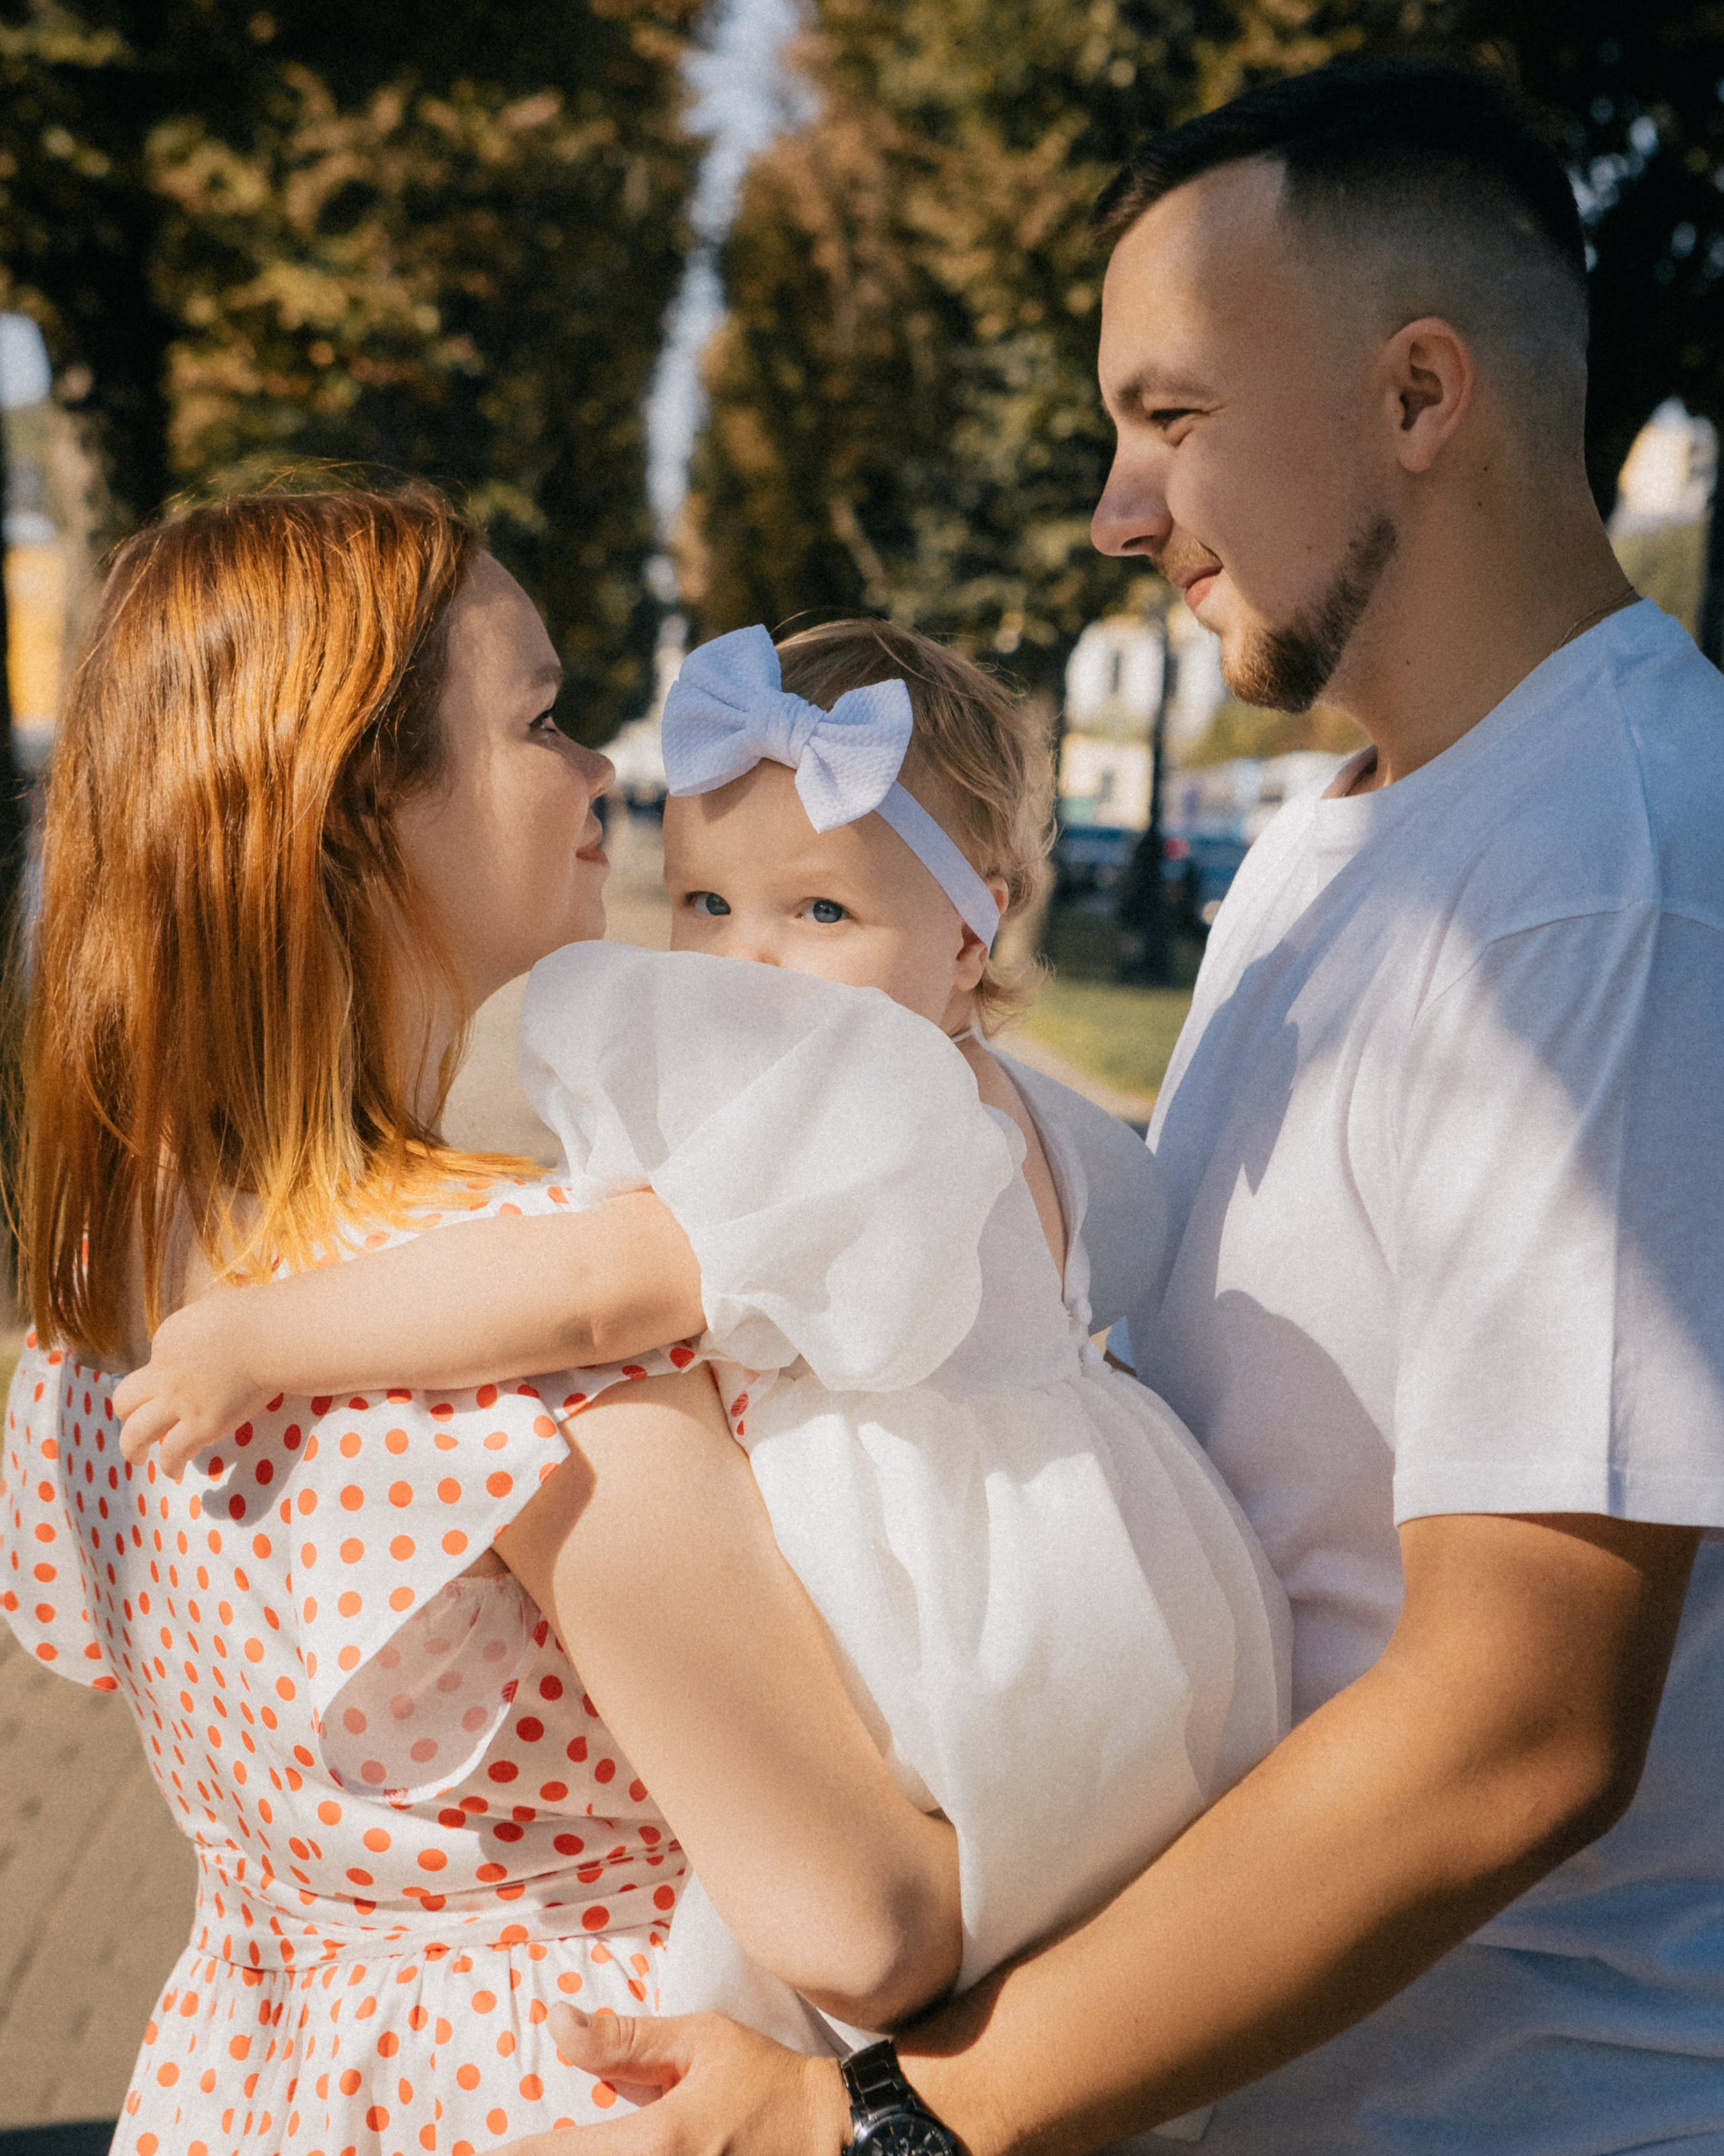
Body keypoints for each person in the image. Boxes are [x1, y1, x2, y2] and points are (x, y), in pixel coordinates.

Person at [484, 56, 1724, 2156]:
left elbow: (1520, 1725)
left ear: (1424, 397)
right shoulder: (1358, 834)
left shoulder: (1606, 869)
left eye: (1174, 419)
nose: (1117, 508)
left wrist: (880, 2120)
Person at [114, 616, 1288, 2122]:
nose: (749, 959)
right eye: (712, 899)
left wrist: (263, 1335)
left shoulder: (860, 1090)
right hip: (1112, 1566)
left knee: (822, 1937)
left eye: (817, 909)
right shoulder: (1017, 1109)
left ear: (969, 929)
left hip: (931, 1587)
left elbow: (597, 1285)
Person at [0, 488, 975, 2154]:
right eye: (536, 719)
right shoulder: (530, 1307)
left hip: (266, 2083)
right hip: (575, 2089)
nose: (603, 766)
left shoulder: (104, 1263)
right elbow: (863, 1922)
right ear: (358, 810)